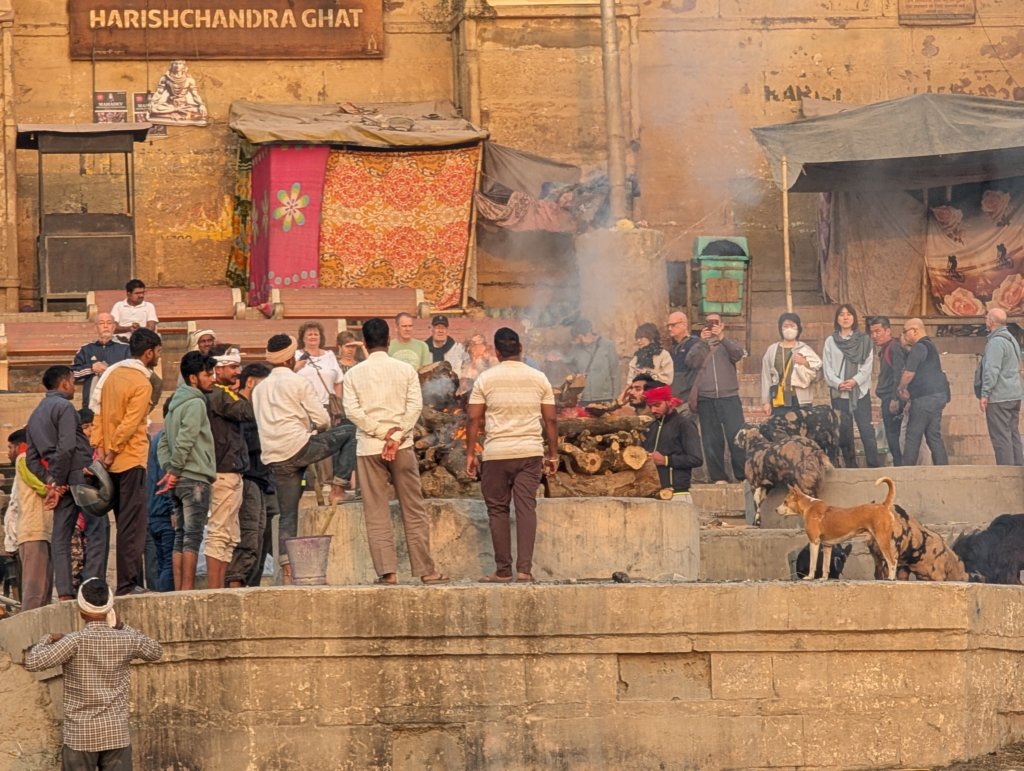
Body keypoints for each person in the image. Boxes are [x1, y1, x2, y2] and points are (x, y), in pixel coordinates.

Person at [342, 318, 448, 585]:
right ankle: (427, 571)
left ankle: (387, 573)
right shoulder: (405, 370)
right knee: (414, 508)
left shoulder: (353, 373)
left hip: (369, 447)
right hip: (402, 446)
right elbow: (414, 407)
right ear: (388, 341)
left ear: (364, 343)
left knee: (376, 511)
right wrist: (395, 436)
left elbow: (352, 412)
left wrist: (380, 433)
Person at [24, 578, 162, 770]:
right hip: (116, 735)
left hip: (81, 737)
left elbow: (32, 662)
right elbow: (155, 651)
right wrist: (122, 627)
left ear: (81, 612)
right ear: (109, 608)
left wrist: (48, 639)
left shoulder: (73, 642)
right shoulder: (127, 639)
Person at [252, 335, 357, 584]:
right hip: (299, 447)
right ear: (291, 358)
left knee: (288, 515)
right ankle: (339, 485)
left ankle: (288, 574)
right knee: (351, 431)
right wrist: (312, 429)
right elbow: (323, 421)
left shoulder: (259, 389)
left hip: (274, 457)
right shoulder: (297, 382)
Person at [466, 327, 558, 583]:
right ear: (520, 349)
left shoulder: (485, 379)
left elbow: (473, 417)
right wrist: (553, 454)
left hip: (496, 453)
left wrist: (471, 453)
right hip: (530, 452)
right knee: (526, 507)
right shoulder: (539, 378)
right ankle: (524, 570)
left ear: (496, 352)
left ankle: (503, 570)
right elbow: (550, 419)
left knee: (497, 510)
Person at [26, 365, 103, 602]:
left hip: (61, 479)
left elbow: (31, 460)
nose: (74, 387)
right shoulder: (64, 407)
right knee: (97, 529)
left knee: (60, 536)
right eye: (72, 381)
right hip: (80, 476)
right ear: (64, 383)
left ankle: (65, 592)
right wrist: (60, 481)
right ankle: (93, 589)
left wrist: (52, 482)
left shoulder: (35, 415)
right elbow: (67, 446)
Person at [93, 328, 161, 595]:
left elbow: (97, 414)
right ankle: (127, 584)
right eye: (157, 352)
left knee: (125, 524)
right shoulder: (141, 382)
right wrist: (112, 450)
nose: (157, 356)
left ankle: (131, 581)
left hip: (110, 462)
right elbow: (131, 423)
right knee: (132, 526)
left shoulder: (111, 377)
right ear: (148, 352)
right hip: (130, 459)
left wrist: (100, 450)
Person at [157, 351, 216, 591]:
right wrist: (175, 470)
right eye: (207, 374)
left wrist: (170, 470)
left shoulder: (173, 405)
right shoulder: (195, 403)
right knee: (192, 536)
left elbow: (163, 443)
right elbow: (186, 438)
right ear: (193, 378)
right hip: (194, 479)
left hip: (179, 479)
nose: (211, 378)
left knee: (181, 536)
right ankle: (187, 591)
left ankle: (181, 591)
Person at [205, 346, 253, 590]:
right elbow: (246, 411)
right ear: (218, 368)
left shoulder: (221, 392)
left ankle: (219, 589)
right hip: (223, 470)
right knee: (220, 534)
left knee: (229, 535)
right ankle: (215, 590)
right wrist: (249, 390)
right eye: (233, 367)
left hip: (230, 469)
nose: (238, 372)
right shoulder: (219, 393)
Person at [229, 364, 275, 588]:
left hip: (264, 480)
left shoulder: (258, 408)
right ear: (250, 382)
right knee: (249, 537)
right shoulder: (238, 408)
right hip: (247, 479)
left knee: (261, 540)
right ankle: (236, 584)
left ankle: (250, 586)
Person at [685, 313, 746, 483]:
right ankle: (718, 477)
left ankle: (742, 476)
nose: (712, 326)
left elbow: (738, 354)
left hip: (730, 397)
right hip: (706, 398)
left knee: (737, 437)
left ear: (722, 324)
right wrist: (702, 343)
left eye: (715, 323)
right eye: (709, 323)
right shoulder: (699, 345)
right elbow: (691, 362)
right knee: (711, 440)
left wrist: (722, 338)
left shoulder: (729, 343)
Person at [294, 322, 348, 500]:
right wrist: (297, 366)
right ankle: (310, 484)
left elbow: (338, 380)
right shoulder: (296, 355)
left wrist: (337, 406)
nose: (313, 337)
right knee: (308, 444)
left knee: (326, 444)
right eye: (309, 334)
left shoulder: (330, 356)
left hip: (326, 406)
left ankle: (326, 482)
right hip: (304, 407)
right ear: (303, 337)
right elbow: (289, 376)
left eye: (315, 334)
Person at [822, 304, 879, 468]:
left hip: (859, 392)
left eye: (849, 314)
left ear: (854, 318)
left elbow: (867, 366)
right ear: (837, 319)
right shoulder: (830, 341)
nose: (845, 317)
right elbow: (828, 368)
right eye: (841, 315)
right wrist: (839, 383)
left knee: (866, 430)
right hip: (840, 394)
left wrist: (854, 381)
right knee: (844, 433)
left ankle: (873, 467)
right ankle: (851, 467)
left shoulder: (864, 340)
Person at [4, 427, 52, 610]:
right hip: (32, 530)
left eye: (10, 447)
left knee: (44, 590)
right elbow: (36, 483)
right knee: (35, 591)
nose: (9, 453)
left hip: (42, 530)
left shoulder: (32, 459)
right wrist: (52, 488)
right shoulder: (24, 460)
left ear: (19, 445)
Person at [898, 318, 950, 466]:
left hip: (924, 398)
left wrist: (901, 388)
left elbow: (908, 373)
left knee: (913, 436)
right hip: (938, 396)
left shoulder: (919, 347)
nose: (904, 335)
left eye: (905, 331)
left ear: (915, 331)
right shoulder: (930, 346)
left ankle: (907, 470)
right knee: (934, 436)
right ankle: (943, 468)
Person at [978, 308, 1023, 466]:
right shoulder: (1011, 339)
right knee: (1013, 435)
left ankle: (1005, 473)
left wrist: (985, 394)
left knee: (1001, 437)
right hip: (1015, 395)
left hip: (999, 397)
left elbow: (992, 370)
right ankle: (1018, 471)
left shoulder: (996, 342)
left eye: (986, 318)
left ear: (990, 321)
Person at [641, 385, 704, 499]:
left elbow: (696, 459)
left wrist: (666, 460)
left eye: (657, 405)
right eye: (650, 406)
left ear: (669, 402)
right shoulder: (649, 427)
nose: (653, 410)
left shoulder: (684, 424)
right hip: (652, 494)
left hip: (677, 493)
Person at [760, 312, 822, 417]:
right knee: (780, 430)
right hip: (779, 399)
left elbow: (819, 374)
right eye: (785, 326)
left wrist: (805, 363)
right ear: (780, 328)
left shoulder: (805, 349)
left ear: (798, 329)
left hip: (801, 400)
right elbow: (766, 376)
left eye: (792, 326)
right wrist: (766, 401)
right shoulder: (772, 350)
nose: (789, 329)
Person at [868, 316, 907, 466]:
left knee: (893, 435)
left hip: (893, 399)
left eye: (878, 331)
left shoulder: (894, 348)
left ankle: (900, 465)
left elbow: (898, 374)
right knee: (891, 435)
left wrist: (895, 399)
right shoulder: (885, 350)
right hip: (887, 397)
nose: (874, 336)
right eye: (872, 332)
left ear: (888, 331)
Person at [71, 313, 129, 408]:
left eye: (109, 323)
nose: (105, 326)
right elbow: (73, 374)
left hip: (118, 401)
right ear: (95, 328)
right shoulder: (86, 349)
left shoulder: (125, 349)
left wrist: (111, 371)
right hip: (91, 402)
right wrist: (91, 368)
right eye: (101, 323)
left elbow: (132, 373)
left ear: (114, 327)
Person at [559, 318, 620, 404]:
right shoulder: (576, 348)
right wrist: (560, 358)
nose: (580, 341)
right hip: (584, 398)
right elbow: (570, 366)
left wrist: (615, 398)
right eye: (578, 338)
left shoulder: (607, 345)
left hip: (604, 397)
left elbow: (615, 373)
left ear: (588, 333)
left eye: (581, 338)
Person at [145, 424, 175, 593]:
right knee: (169, 563)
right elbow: (166, 477)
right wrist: (172, 508)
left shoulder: (156, 439)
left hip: (153, 511)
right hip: (163, 512)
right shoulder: (167, 438)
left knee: (161, 562)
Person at [666, 311, 699, 411]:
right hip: (675, 398)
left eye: (673, 325)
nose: (669, 329)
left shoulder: (695, 344)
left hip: (687, 399)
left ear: (684, 325)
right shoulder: (673, 347)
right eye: (668, 325)